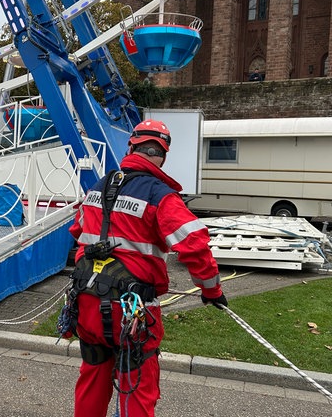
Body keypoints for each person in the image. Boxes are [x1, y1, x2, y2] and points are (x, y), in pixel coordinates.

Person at [67, 119, 228, 417]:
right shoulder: (159, 195)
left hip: (87, 302)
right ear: (163, 156)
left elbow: (78, 230)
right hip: (132, 310)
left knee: (92, 378)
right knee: (138, 388)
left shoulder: (98, 188)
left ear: (131, 146)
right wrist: (211, 291)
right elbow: (194, 244)